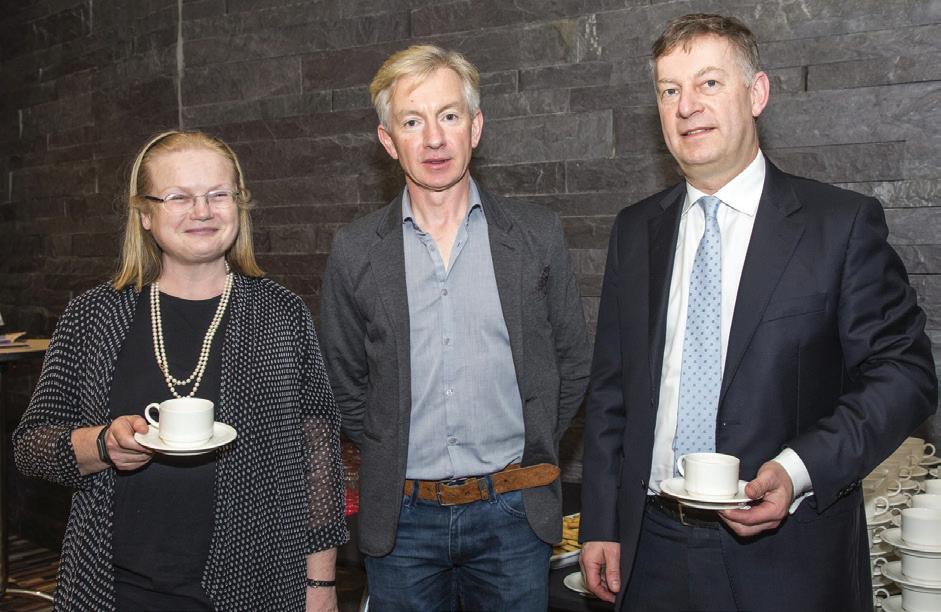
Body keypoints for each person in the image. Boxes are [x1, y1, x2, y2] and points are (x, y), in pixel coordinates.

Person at [579, 13, 938, 611]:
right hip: (650, 552)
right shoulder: (635, 231)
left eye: (709, 83)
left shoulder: (838, 225)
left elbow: (906, 375)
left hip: (789, 558)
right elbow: (611, 391)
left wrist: (797, 469)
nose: (687, 106)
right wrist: (601, 521)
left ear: (757, 93)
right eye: (669, 90)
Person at [13, 130, 348, 611]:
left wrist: (320, 586)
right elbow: (31, 446)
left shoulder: (282, 313)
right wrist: (102, 444)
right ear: (145, 214)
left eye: (218, 194)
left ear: (239, 204)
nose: (202, 211)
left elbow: (318, 456)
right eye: (178, 197)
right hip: (116, 588)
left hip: (257, 589)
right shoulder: (93, 315)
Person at [319, 45, 592, 611]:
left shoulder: (537, 236)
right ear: (388, 141)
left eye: (449, 115)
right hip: (402, 522)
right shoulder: (355, 250)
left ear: (476, 127)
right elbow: (343, 380)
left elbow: (572, 362)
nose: (434, 139)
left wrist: (533, 442)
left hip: (513, 515)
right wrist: (388, 445)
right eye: (412, 122)